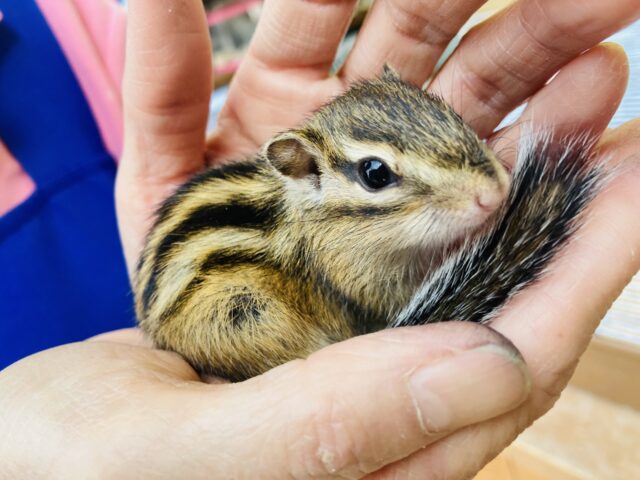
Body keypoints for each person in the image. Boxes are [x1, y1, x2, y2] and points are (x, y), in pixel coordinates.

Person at [1, 0, 639, 477]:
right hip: (233, 307)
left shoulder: (57, 20)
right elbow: (379, 305)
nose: (485, 189)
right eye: (379, 176)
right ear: (302, 171)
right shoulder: (336, 248)